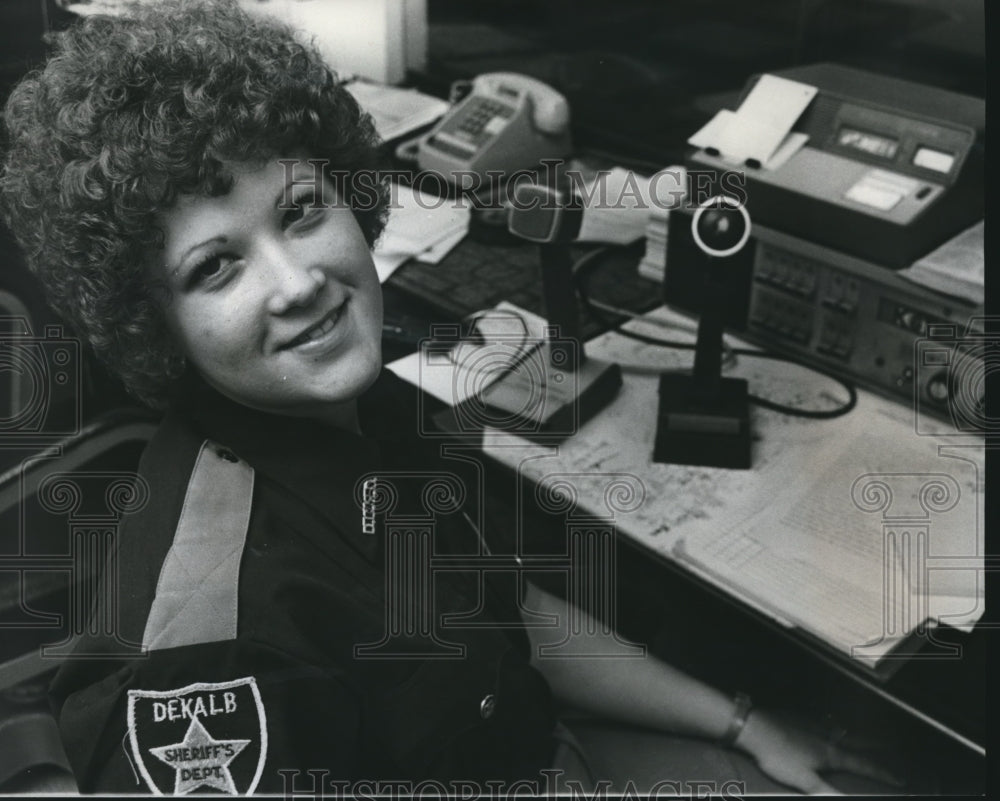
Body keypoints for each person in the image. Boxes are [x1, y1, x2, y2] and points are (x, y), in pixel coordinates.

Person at [1, 0, 891, 795]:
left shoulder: (370, 407)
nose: (297, 283)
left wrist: (742, 722)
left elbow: (504, 616)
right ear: (155, 324)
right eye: (215, 267)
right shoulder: (219, 648)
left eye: (303, 210)